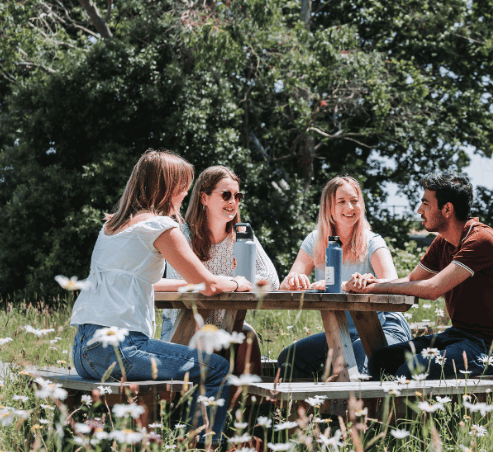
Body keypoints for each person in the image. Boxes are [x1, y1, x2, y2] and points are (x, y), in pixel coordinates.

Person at [70, 150, 252, 448]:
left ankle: (175, 436)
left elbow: (151, 282)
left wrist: (190, 283)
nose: (185, 194)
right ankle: (199, 445)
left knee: (196, 364)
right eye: (184, 187)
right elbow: (207, 284)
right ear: (169, 187)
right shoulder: (161, 226)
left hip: (84, 350)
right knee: (217, 368)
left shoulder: (113, 226)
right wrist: (235, 281)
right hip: (120, 348)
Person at [345, 172, 493, 380]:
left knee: (414, 368)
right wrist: (369, 281)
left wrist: (373, 288)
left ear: (447, 209)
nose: (419, 210)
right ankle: (378, 412)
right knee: (381, 359)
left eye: (426, 204)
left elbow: (433, 289)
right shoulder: (443, 242)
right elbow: (411, 280)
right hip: (458, 336)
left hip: (491, 349)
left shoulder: (482, 240)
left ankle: (413, 412)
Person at [277, 176, 411, 379]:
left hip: (384, 326)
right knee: (290, 358)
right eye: (341, 201)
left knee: (356, 361)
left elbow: (393, 283)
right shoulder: (315, 241)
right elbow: (288, 283)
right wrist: (292, 282)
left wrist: (344, 286)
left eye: (354, 200)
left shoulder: (373, 242)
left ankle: (356, 412)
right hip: (342, 331)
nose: (350, 207)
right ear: (328, 208)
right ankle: (310, 410)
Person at [162, 166, 280, 374]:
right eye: (226, 195)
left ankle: (244, 405)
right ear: (204, 198)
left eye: (237, 196)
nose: (233, 202)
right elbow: (187, 284)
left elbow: (271, 279)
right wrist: (235, 282)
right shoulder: (182, 234)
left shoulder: (242, 235)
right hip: (185, 327)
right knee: (214, 340)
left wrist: (235, 282)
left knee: (247, 337)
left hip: (228, 326)